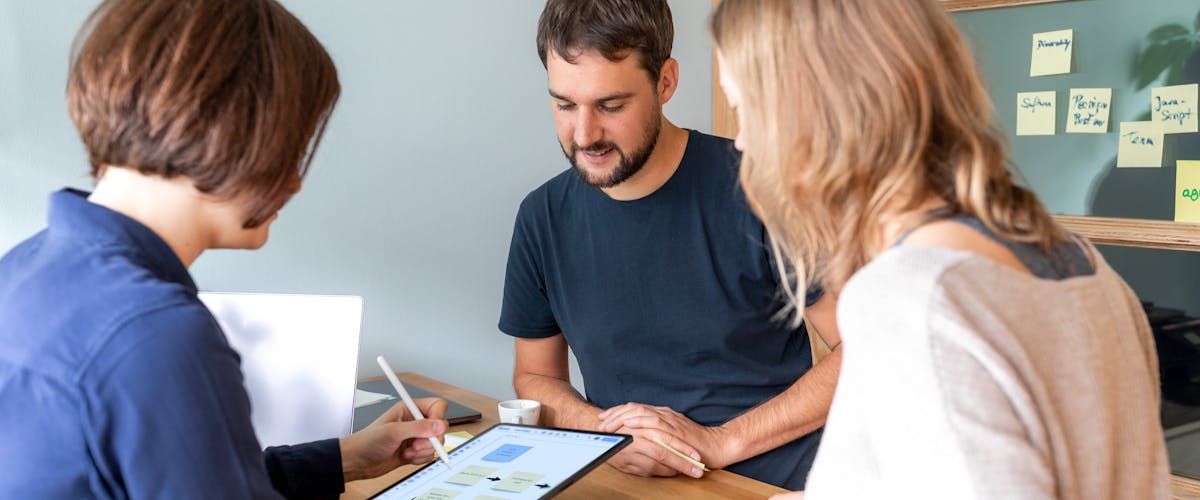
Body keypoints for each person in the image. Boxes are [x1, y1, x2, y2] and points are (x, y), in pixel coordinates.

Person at [709, 0, 1171, 498]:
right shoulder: (1078, 260)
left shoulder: (913, 300)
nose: (741, 143)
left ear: (812, 112)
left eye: (746, 111)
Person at [0, 0, 447, 498]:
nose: (295, 182)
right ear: (230, 130)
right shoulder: (158, 333)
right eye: (290, 148)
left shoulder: (21, 268)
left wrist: (346, 458)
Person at [498, 0, 840, 490]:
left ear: (665, 82)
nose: (584, 134)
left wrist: (720, 441)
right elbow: (535, 378)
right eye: (564, 104)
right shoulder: (541, 217)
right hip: (627, 482)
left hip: (772, 484)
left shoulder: (762, 189)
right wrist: (607, 434)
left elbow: (868, 350)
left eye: (611, 106)